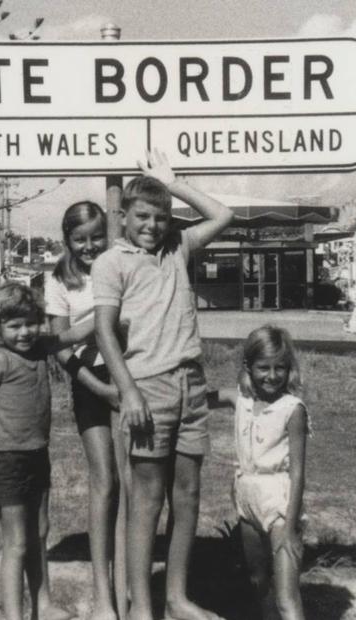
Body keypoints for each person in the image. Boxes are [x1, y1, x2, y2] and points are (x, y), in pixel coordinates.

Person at [93, 150, 233, 620]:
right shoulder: (112, 262)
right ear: (123, 217)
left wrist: (171, 183)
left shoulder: (178, 248)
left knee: (188, 494)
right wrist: (128, 390)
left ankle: (176, 596)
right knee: (147, 499)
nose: (152, 226)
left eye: (161, 217)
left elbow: (223, 215)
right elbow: (104, 331)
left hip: (191, 384)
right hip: (147, 388)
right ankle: (142, 607)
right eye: (142, 217)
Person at [0, 281, 92, 620]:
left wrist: (117, 313)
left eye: (31, 323)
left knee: (41, 531)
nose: (24, 332)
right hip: (6, 460)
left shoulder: (41, 349)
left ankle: (43, 604)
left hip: (38, 455)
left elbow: (75, 333)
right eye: (14, 325)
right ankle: (12, 614)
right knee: (17, 542)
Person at [45, 201, 126, 620]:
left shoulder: (121, 263)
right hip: (90, 382)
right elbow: (61, 347)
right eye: (81, 239)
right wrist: (100, 389)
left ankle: (133, 586)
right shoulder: (59, 280)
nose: (90, 245)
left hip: (131, 374)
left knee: (135, 485)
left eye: (97, 236)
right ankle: (103, 597)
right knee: (105, 483)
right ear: (68, 241)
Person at [208, 325, 309, 620]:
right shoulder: (240, 399)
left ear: (289, 369)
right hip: (246, 499)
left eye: (280, 368)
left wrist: (290, 528)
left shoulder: (293, 409)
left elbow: (299, 474)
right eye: (263, 367)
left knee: (286, 595)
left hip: (280, 503)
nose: (272, 376)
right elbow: (200, 398)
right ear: (248, 367)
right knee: (258, 580)